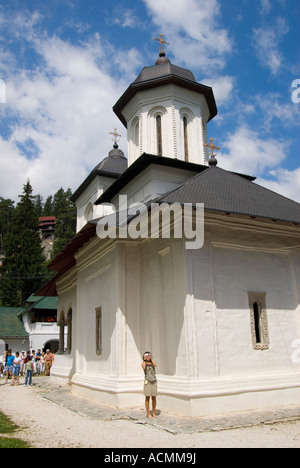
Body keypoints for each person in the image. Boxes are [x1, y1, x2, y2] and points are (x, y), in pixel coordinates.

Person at [141, 351, 157, 419]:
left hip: (154, 381)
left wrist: (151, 358)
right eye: (146, 355)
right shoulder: (143, 363)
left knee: (154, 397)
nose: (147, 356)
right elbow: (144, 367)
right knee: (147, 397)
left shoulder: (152, 363)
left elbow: (155, 365)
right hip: (148, 382)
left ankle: (153, 412)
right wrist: (145, 360)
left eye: (148, 355)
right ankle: (148, 413)